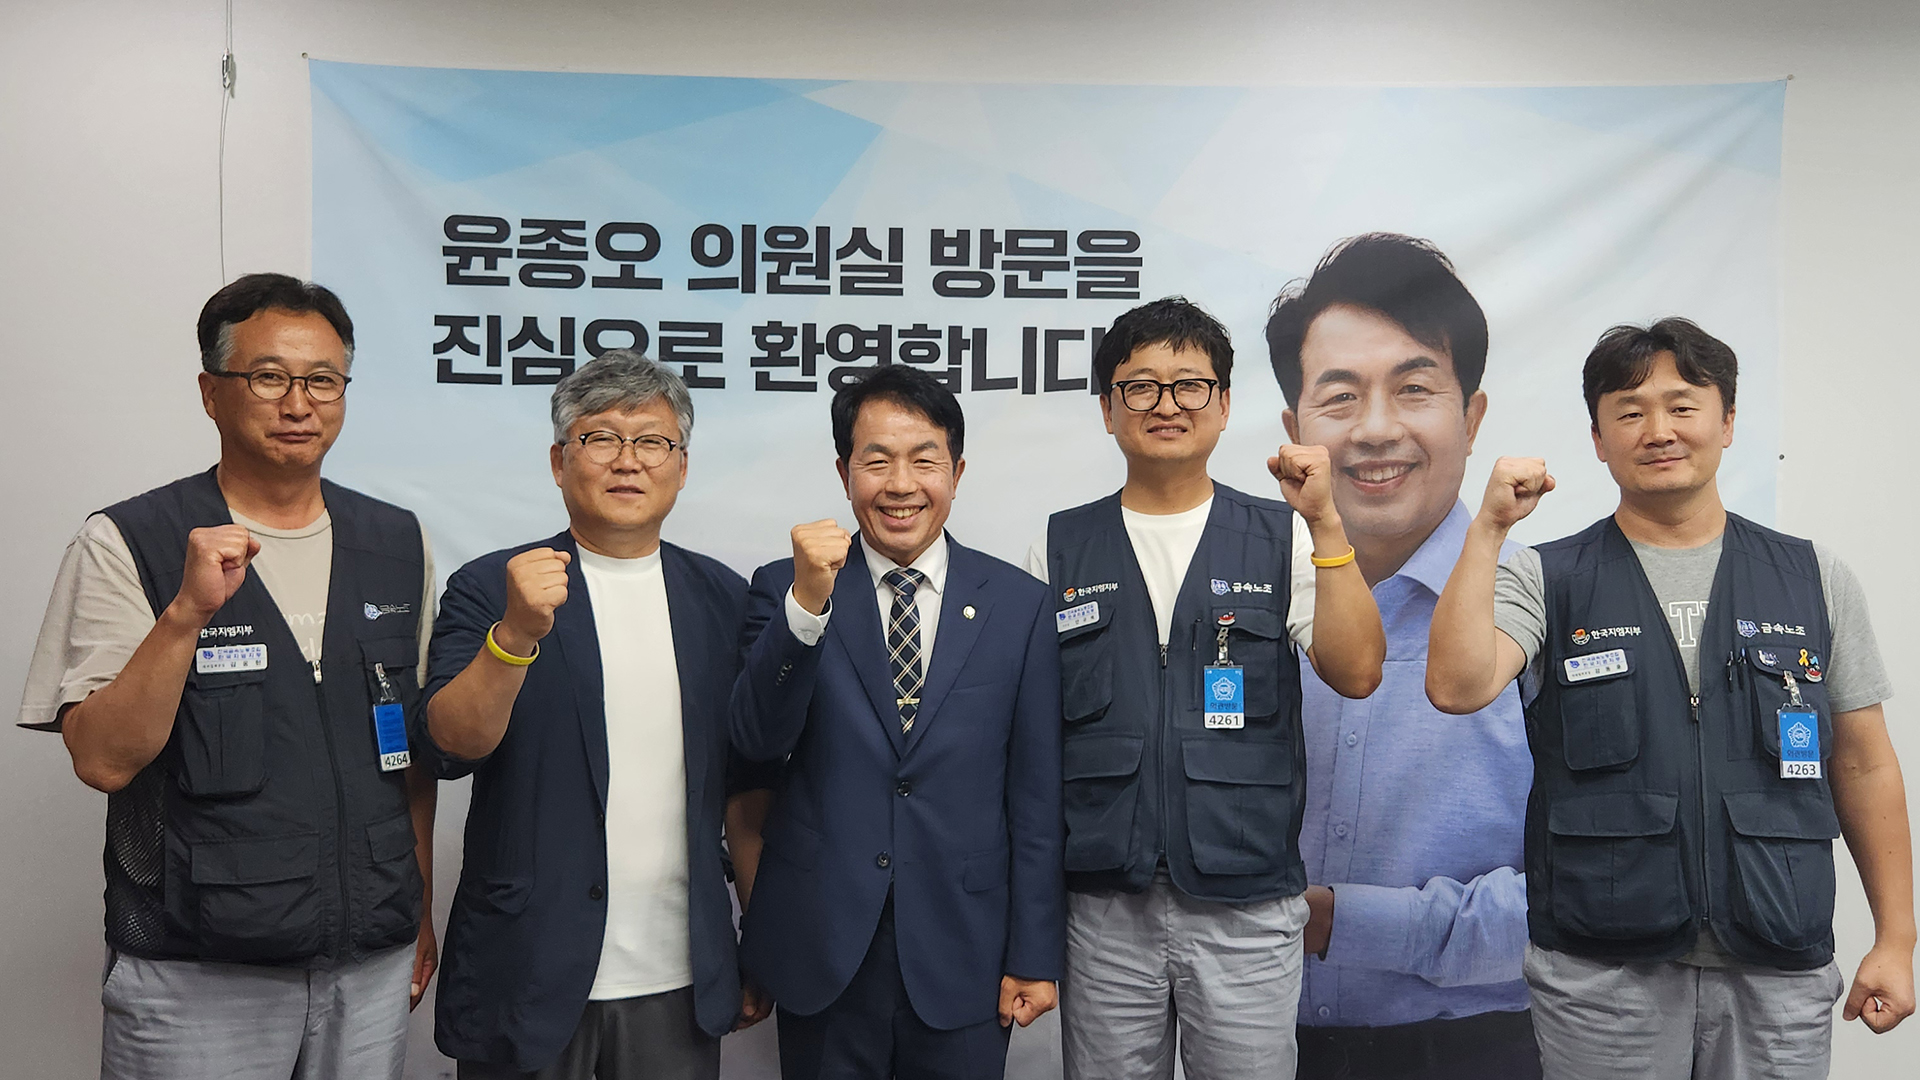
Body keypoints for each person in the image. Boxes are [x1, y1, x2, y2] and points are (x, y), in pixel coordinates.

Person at [1427, 318, 1915, 1079]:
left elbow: (1863, 765)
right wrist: (1488, 530)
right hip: (1601, 974)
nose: (1659, 431)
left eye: (1683, 406)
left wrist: (1896, 940)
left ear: (1727, 422)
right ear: (1598, 439)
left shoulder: (1811, 577)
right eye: (1630, 412)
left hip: (1776, 968)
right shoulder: (1546, 576)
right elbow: (1456, 687)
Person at [16, 273, 438, 1079]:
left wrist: (417, 905)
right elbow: (102, 759)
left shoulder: (396, 539)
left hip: (368, 966)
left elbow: (408, 755)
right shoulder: (129, 539)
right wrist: (184, 614)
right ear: (212, 393)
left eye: (322, 380)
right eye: (269, 377)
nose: (299, 404)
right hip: (197, 974)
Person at [1026, 296, 1385, 1079]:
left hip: (1246, 905)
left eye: (1189, 385)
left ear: (1223, 405)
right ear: (1108, 409)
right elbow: (1023, 736)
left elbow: (1357, 671)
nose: (1166, 405)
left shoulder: (1283, 533)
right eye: (1140, 387)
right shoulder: (1057, 547)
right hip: (1103, 907)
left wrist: (1327, 523)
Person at [418, 352, 775, 1079]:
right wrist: (514, 635)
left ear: (682, 466)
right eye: (600, 438)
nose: (627, 460)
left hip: (678, 974)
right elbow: (450, 747)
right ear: (559, 461)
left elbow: (747, 785)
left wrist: (761, 938)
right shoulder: (492, 586)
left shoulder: (724, 598)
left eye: (652, 442)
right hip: (525, 969)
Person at [730, 365, 1065, 1080]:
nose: (901, 484)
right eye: (877, 461)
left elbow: (1036, 798)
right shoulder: (784, 589)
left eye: (924, 460)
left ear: (957, 472)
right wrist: (806, 609)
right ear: (844, 472)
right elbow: (756, 742)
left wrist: (1035, 953)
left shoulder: (1019, 604)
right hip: (822, 945)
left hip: (966, 949)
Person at [1267, 235, 1538, 1078]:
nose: (1377, 429)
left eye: (1414, 389)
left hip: (1479, 1048)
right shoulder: (1239, 603)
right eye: (1339, 397)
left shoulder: (1549, 606)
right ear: (1294, 430)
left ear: (1473, 417)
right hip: (1252, 1046)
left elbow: (1599, 886)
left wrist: (1344, 922)